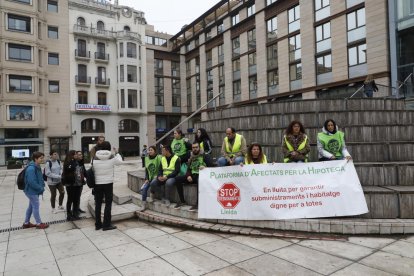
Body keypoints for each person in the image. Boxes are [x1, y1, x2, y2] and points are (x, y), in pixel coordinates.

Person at [93, 141, 123, 231]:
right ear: (109, 148)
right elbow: (120, 162)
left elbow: (92, 167)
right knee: (108, 204)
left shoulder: (95, 156)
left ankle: (98, 224)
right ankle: (106, 224)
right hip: (108, 183)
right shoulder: (111, 156)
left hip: (97, 183)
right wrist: (117, 152)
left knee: (98, 204)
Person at [175, 142, 213, 211]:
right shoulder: (191, 156)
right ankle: (182, 201)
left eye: (196, 147)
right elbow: (188, 169)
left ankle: (198, 203)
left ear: (199, 148)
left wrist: (205, 167)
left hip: (202, 175)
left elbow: (212, 166)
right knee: (177, 179)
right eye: (193, 148)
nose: (194, 149)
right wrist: (188, 175)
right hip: (192, 175)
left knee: (200, 181)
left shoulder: (205, 155)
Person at [23, 151, 49, 229]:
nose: (42, 159)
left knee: (31, 206)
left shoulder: (37, 166)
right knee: (36, 206)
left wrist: (42, 185)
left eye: (43, 158)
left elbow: (39, 178)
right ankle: (38, 223)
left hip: (33, 191)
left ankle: (26, 223)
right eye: (41, 158)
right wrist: (40, 188)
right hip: (31, 191)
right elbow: (31, 182)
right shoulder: (31, 168)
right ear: (35, 159)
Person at [139, 145, 161, 211]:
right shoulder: (146, 158)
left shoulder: (158, 157)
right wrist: (146, 179)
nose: (150, 151)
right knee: (144, 188)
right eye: (149, 150)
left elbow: (161, 168)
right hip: (150, 178)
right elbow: (146, 170)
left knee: (153, 183)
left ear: (155, 151)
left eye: (151, 150)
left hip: (157, 177)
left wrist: (158, 176)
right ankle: (143, 204)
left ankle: (152, 194)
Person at [62, 150, 82, 221]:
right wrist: (73, 161)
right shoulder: (68, 163)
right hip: (70, 184)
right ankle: (69, 215)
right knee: (70, 200)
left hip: (77, 183)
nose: (76, 155)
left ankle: (75, 214)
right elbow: (69, 168)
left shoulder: (76, 162)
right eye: (75, 154)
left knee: (76, 200)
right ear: (71, 155)